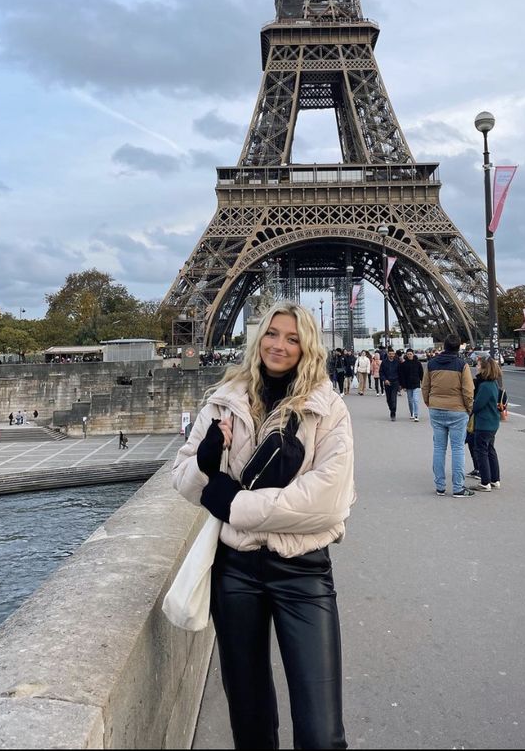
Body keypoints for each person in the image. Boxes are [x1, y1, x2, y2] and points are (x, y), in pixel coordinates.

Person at [172, 301, 355, 749]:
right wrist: (205, 458)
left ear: (307, 346)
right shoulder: (224, 400)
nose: (280, 344)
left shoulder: (327, 407)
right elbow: (185, 480)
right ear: (259, 338)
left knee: (322, 735)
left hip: (303, 571)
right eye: (273, 333)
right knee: (250, 726)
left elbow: (328, 501)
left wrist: (234, 504)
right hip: (235, 571)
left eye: (293, 338)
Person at [422, 333, 475, 497]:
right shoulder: (462, 365)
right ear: (458, 347)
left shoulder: (431, 364)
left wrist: (429, 403)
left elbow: (425, 387)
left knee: (439, 448)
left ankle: (440, 486)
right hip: (457, 410)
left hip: (436, 408)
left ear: (443, 346)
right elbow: (468, 391)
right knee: (458, 449)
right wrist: (469, 408)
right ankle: (458, 487)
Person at [470, 356, 503, 491]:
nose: (476, 367)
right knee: (490, 450)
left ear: (484, 368)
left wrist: (471, 405)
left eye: (478, 365)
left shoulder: (484, 386)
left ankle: (485, 482)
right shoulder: (494, 383)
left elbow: (478, 406)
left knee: (481, 452)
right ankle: (495, 479)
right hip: (492, 422)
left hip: (484, 423)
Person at [399, 348, 424, 420]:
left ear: (413, 354)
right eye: (408, 354)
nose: (409, 355)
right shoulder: (403, 364)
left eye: (410, 354)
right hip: (408, 385)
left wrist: (422, 381)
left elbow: (421, 373)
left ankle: (416, 415)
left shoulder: (418, 363)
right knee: (410, 400)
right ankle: (412, 413)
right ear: (406, 355)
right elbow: (402, 375)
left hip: (416, 383)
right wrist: (403, 385)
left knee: (416, 400)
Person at [380, 348, 401, 421]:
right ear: (388, 354)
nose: (391, 355)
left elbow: (400, 373)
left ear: (394, 354)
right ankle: (391, 408)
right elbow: (381, 372)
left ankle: (393, 413)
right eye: (390, 354)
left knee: (393, 398)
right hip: (387, 382)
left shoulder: (397, 362)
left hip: (395, 382)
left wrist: (400, 383)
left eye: (393, 354)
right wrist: (385, 380)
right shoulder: (384, 362)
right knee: (388, 399)